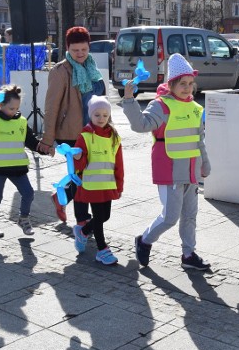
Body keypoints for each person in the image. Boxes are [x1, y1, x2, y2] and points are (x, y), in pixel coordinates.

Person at [121, 53, 212, 271]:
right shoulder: (161, 106)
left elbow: (199, 139)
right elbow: (140, 125)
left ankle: (188, 255)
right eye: (182, 83)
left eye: (190, 83)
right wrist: (129, 100)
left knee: (190, 216)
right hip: (169, 170)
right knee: (170, 217)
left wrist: (205, 164)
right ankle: (144, 240)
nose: (188, 88)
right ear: (171, 84)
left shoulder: (196, 108)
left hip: (191, 172)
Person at [39, 26, 105, 224]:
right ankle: (82, 220)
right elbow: (51, 107)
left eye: (84, 50)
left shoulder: (92, 68)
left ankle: (63, 197)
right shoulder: (60, 71)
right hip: (71, 133)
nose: (80, 54)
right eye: (75, 50)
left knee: (89, 175)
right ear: (68, 48)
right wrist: (47, 139)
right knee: (81, 177)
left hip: (93, 130)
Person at [0, 84, 45, 239]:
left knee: (28, 193)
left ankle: (23, 218)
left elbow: (31, 141)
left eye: (16, 108)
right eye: (11, 108)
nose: (14, 111)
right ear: (1, 105)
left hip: (17, 167)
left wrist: (43, 148)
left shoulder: (22, 121)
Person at [70, 95, 124, 265]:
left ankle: (84, 231)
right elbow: (79, 164)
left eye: (105, 115)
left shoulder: (114, 137)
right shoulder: (84, 136)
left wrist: (119, 184)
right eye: (97, 115)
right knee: (99, 217)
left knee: (105, 216)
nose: (101, 119)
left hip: (107, 184)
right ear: (90, 115)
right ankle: (102, 250)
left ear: (109, 116)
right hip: (90, 185)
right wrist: (78, 156)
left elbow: (119, 164)